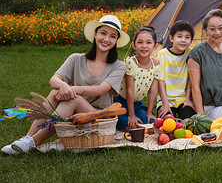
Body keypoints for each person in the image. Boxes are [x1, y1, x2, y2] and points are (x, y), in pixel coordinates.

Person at [1, 15, 129, 155]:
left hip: (98, 118)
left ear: (116, 40)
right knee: (57, 91)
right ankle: (27, 138)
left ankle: (33, 142)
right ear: (95, 34)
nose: (106, 39)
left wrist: (72, 88)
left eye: (112, 36)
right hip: (73, 113)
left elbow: (100, 89)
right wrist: (63, 86)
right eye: (103, 33)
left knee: (73, 97)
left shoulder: (119, 66)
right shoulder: (76, 58)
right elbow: (54, 80)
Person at [114, 26, 162, 130]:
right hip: (121, 101)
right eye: (140, 42)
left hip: (137, 104)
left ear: (155, 46)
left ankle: (133, 122)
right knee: (125, 121)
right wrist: (131, 115)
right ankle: (126, 123)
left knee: (151, 121)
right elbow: (130, 90)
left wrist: (149, 112)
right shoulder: (130, 62)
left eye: (149, 43)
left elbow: (153, 91)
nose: (144, 46)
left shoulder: (157, 65)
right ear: (134, 45)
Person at [156, 20, 196, 121]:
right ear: (171, 38)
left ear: (191, 40)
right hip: (166, 100)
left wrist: (188, 99)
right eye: (179, 36)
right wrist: (165, 104)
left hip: (183, 100)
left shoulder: (191, 53)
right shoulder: (163, 54)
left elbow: (191, 78)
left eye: (187, 37)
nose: (183, 40)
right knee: (168, 125)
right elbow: (160, 80)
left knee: (190, 124)